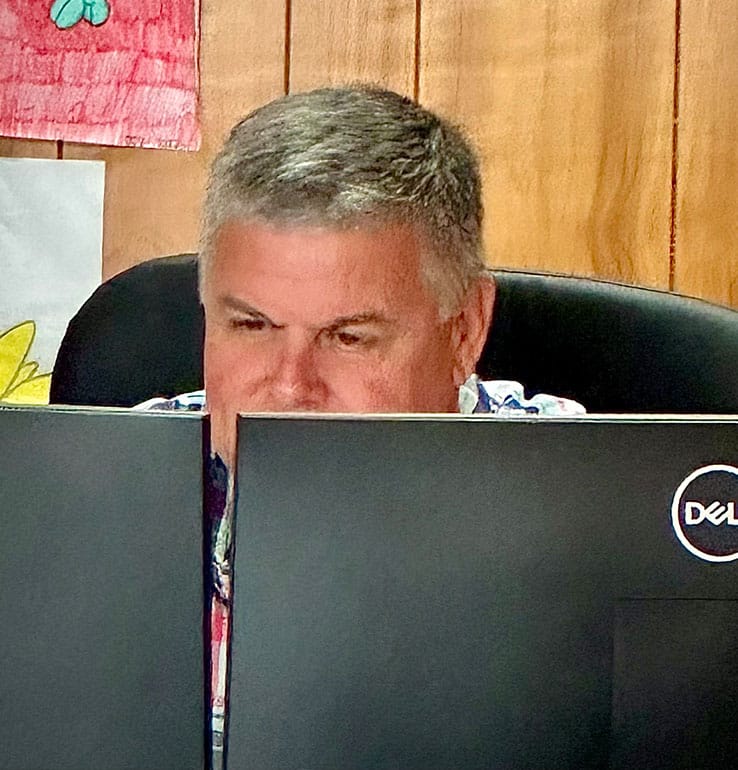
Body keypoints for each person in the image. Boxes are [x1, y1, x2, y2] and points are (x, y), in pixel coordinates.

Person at [140, 84, 583, 761]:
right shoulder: (103, 491)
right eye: (252, 325)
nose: (288, 388)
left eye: (348, 337)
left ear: (463, 331)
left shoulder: (585, 496)